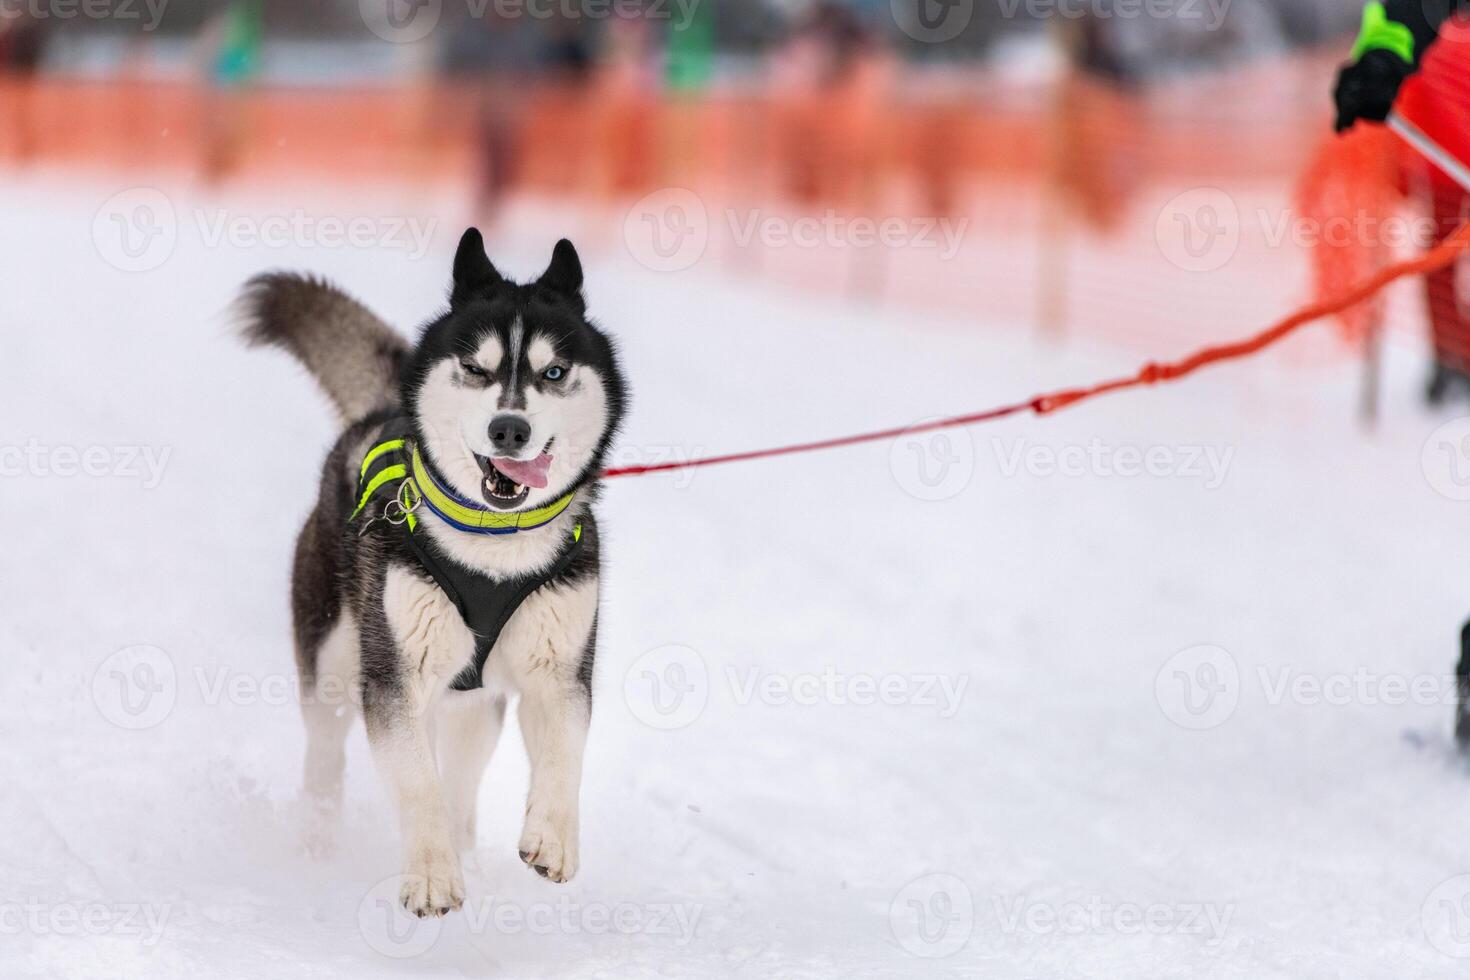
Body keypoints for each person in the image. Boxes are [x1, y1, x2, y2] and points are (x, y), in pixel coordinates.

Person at [1333, 0, 1470, 403]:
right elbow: (1402, 13)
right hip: (1444, 130)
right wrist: (1381, 59)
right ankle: (1453, 354)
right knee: (1442, 244)